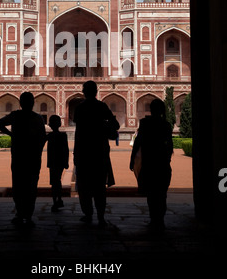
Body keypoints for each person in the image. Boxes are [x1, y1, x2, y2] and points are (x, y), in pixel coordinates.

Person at [0, 92, 46, 227]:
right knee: (31, 185)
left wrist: (11, 134)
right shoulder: (38, 118)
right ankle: (28, 215)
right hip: (33, 156)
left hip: (18, 154)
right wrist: (38, 151)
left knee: (18, 184)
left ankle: (19, 213)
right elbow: (42, 138)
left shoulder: (15, 116)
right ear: (33, 103)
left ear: (20, 103)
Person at [73, 80, 120, 226]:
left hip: (84, 151)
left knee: (84, 185)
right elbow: (116, 125)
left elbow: (78, 131)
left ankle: (88, 214)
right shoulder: (102, 106)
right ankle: (100, 216)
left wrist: (76, 154)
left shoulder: (80, 108)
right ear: (96, 91)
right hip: (100, 151)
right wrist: (104, 126)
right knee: (99, 186)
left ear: (83, 92)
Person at [130, 98, 173, 232]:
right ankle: (159, 220)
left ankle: (154, 219)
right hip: (161, 162)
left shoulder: (145, 123)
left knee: (151, 194)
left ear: (152, 110)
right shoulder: (166, 124)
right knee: (161, 193)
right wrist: (167, 158)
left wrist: (132, 158)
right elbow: (170, 144)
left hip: (149, 162)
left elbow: (138, 141)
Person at [47, 114, 69, 212]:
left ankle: (56, 201)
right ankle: (58, 200)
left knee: (54, 182)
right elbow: (66, 149)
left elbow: (38, 143)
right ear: (60, 124)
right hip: (60, 161)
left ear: (49, 125)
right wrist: (66, 161)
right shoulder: (63, 135)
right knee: (57, 181)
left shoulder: (50, 135)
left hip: (53, 161)